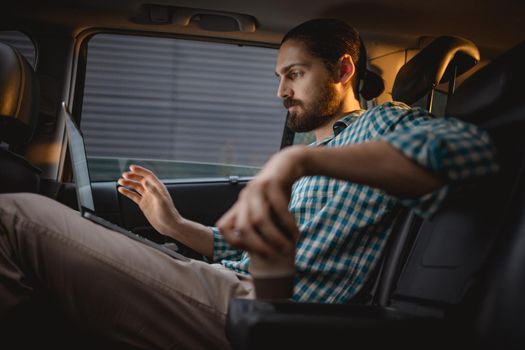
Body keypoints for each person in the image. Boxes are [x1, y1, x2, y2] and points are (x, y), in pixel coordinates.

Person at [0, 18, 497, 349]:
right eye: (280, 76)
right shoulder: (317, 149)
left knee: (13, 217)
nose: (281, 91)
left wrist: (299, 167)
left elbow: (474, 154)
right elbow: (249, 250)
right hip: (235, 282)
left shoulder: (386, 123)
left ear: (343, 70)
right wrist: (172, 226)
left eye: (295, 74)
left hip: (270, 313)